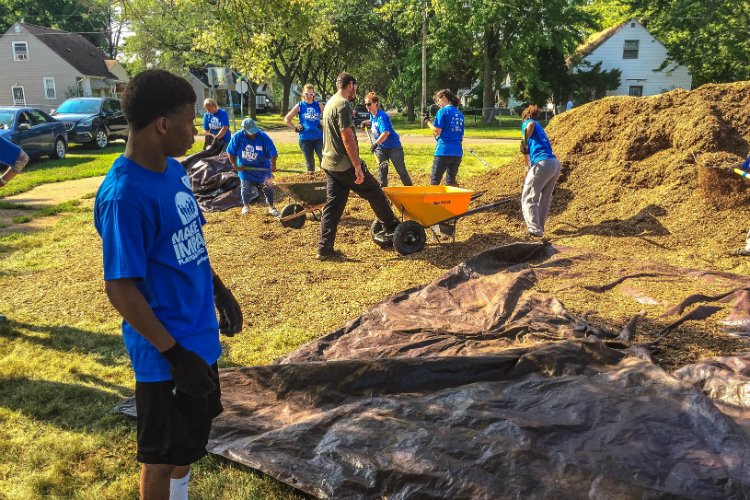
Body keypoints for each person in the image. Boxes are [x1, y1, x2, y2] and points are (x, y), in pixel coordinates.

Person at [94, 69, 243, 500]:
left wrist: (217, 288)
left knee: (189, 444)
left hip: (199, 337)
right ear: (163, 124)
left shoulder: (176, 171)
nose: (197, 131)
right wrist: (176, 356)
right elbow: (120, 289)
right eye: (191, 120)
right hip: (167, 355)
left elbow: (187, 239)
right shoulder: (124, 196)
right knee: (160, 457)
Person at [318, 73, 400, 260]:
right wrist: (356, 166)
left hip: (329, 163)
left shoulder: (330, 102)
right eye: (355, 87)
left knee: (333, 206)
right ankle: (391, 227)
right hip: (344, 165)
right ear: (351, 85)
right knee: (374, 191)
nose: (356, 91)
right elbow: (347, 137)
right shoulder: (343, 105)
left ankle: (324, 249)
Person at [520, 104, 561, 238]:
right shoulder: (541, 128)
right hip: (553, 164)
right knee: (545, 198)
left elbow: (529, 124)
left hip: (542, 163)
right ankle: (539, 228)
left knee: (528, 196)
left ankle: (534, 229)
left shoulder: (529, 122)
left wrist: (524, 142)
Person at [226, 117, 279, 216]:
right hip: (245, 168)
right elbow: (230, 151)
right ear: (244, 130)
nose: (253, 134)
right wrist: (235, 165)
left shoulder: (263, 136)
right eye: (250, 132)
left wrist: (273, 164)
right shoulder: (238, 137)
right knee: (245, 187)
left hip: (263, 167)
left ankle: (271, 206)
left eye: (254, 131)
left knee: (268, 187)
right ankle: (246, 205)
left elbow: (272, 151)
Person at [360, 92, 412, 187]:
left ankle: (411, 191)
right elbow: (373, 122)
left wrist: (375, 144)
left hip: (393, 147)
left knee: (401, 171)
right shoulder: (372, 115)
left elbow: (385, 133)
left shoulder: (382, 116)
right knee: (382, 172)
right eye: (365, 104)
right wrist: (366, 123)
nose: (367, 107)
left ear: (376, 103)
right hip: (381, 148)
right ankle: (383, 196)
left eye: (369, 104)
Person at [423, 89, 464, 187]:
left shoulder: (442, 112)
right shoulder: (460, 114)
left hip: (443, 151)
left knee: (435, 180)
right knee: (451, 181)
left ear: (444, 98)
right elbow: (461, 136)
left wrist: (427, 121)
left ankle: (433, 201)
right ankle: (452, 201)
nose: (438, 104)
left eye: (438, 100)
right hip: (457, 152)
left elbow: (437, 131)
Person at [284, 84, 324, 172]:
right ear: (303, 94)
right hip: (305, 138)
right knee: (310, 162)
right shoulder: (300, 105)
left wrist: (323, 125)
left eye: (311, 94)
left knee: (323, 159)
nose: (309, 96)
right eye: (307, 94)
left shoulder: (319, 105)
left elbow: (330, 117)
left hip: (319, 137)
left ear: (314, 94)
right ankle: (311, 181)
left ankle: (324, 180)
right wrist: (295, 128)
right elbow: (287, 119)